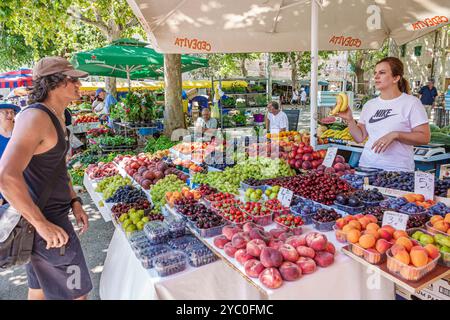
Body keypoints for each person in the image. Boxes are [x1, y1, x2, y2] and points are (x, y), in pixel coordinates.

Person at [0, 56, 92, 300]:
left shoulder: (57, 117)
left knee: (39, 291)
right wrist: (41, 224)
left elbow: (58, 169)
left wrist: (75, 200)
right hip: (47, 225)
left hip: (47, 222)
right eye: (73, 80)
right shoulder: (35, 118)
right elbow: (5, 176)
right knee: (77, 295)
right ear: (55, 82)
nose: (79, 85)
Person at [336, 57, 430, 172]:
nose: (376, 77)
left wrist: (396, 135)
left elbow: (424, 137)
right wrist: (350, 120)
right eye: (375, 73)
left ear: (396, 78)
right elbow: (359, 138)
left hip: (398, 172)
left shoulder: (411, 103)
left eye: (382, 73)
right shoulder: (369, 105)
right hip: (367, 166)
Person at [0, 103, 20, 205]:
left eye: (12, 112)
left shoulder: (21, 133)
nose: (10, 115)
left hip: (24, 188)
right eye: (5, 112)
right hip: (4, 191)